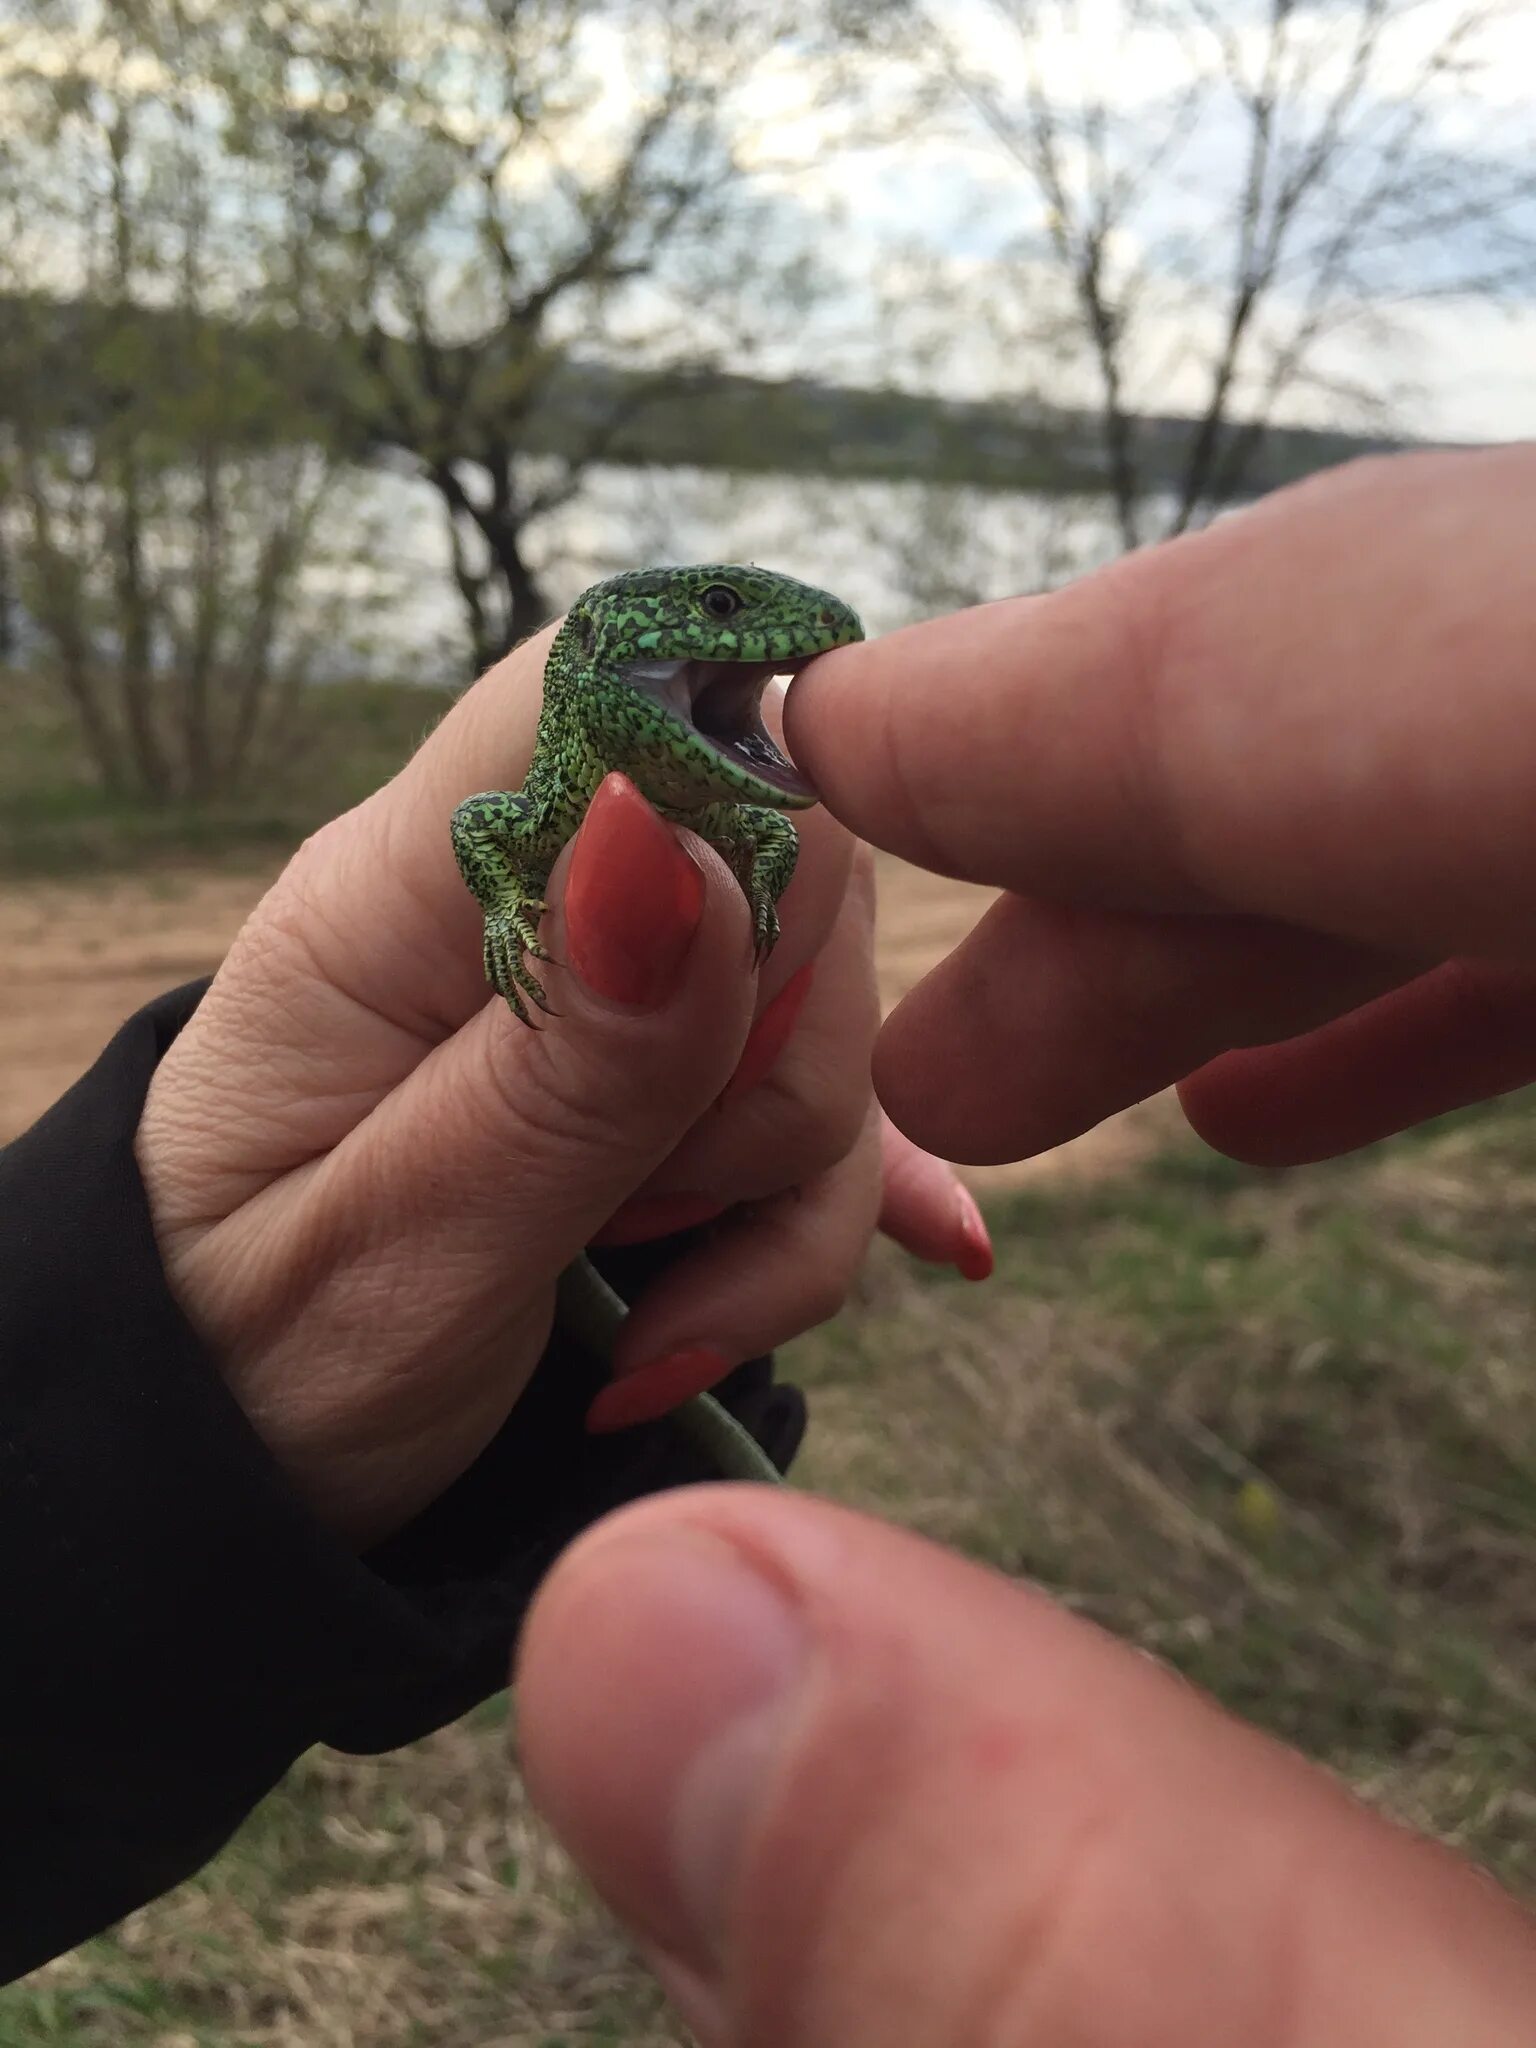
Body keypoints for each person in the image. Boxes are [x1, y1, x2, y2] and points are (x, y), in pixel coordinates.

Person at [4, 444, 1534, 2038]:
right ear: (604, 665)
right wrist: (524, 932)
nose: (773, 630)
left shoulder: (719, 806)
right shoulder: (552, 776)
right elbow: (483, 845)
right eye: (725, 614)